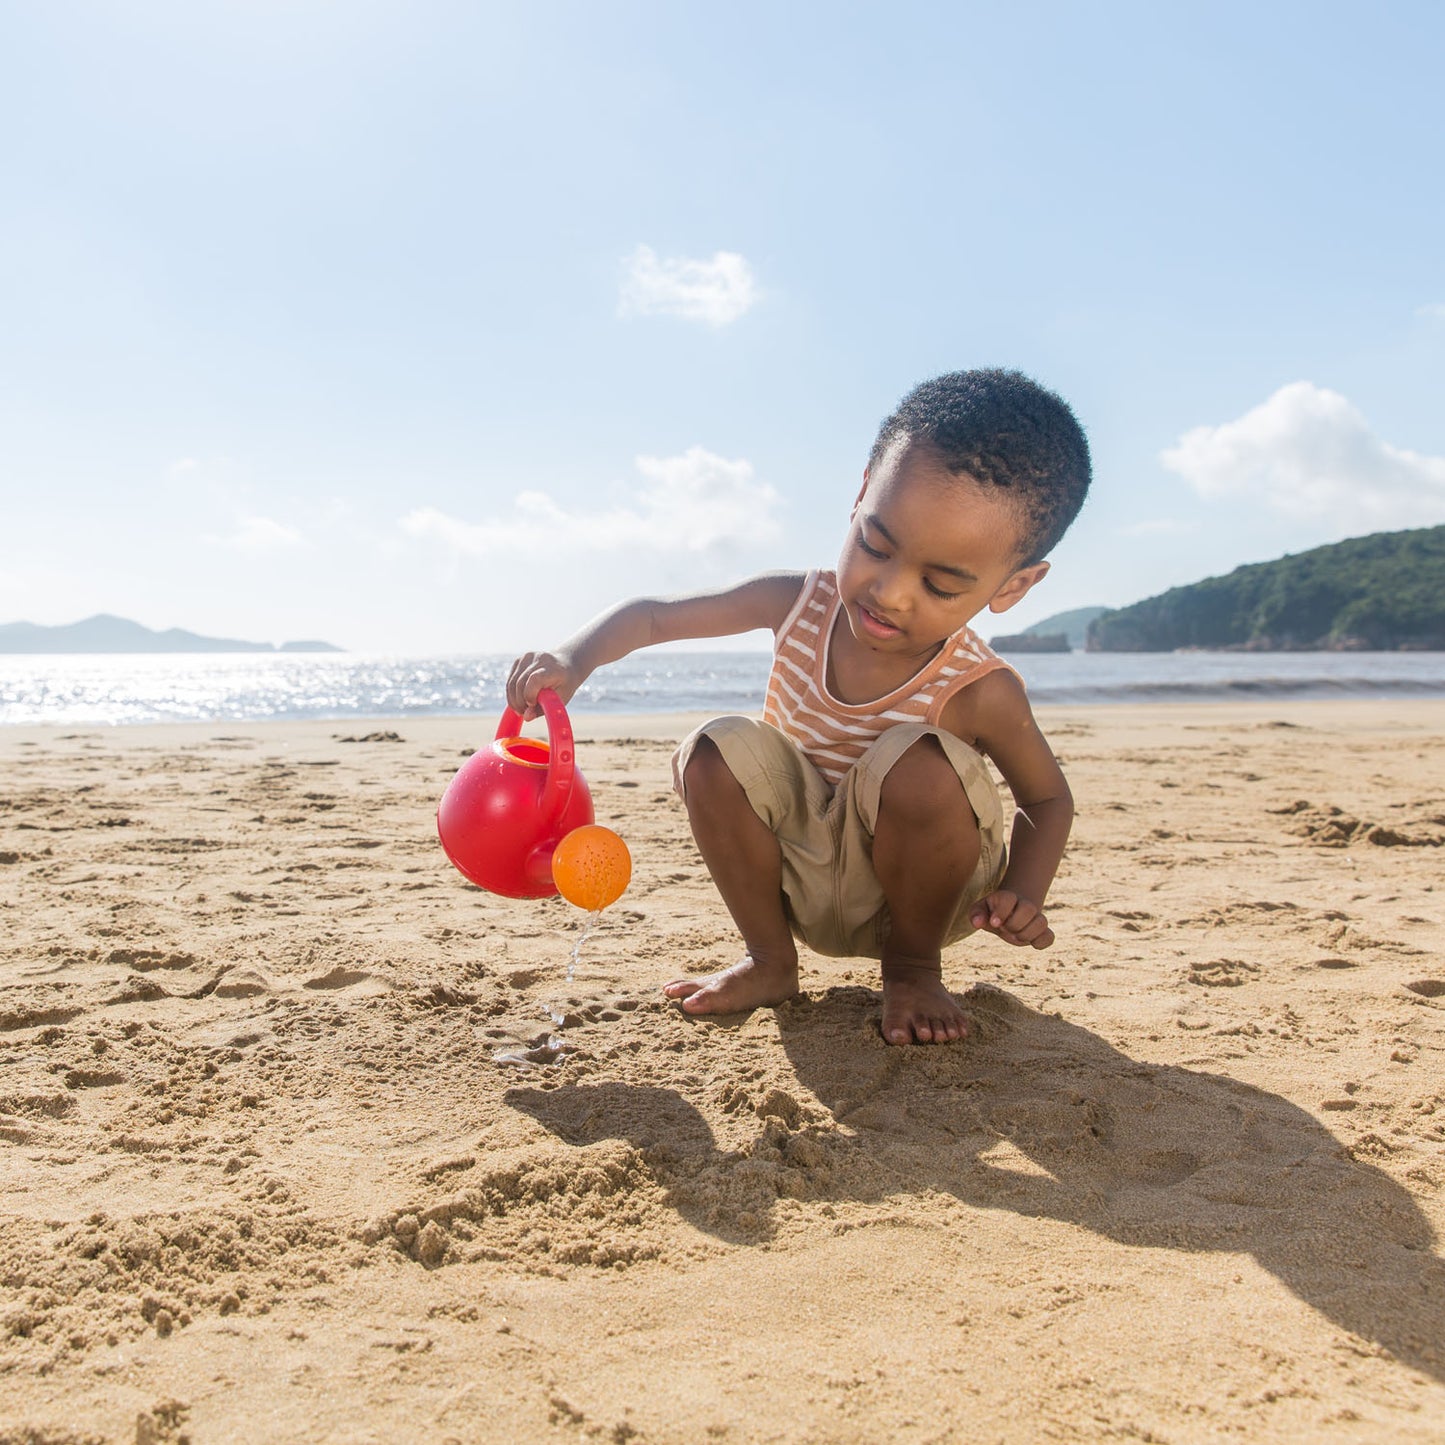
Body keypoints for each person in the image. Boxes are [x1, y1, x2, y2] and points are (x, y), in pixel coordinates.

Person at [506, 369, 1091, 1046]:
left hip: (923, 899)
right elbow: (656, 618)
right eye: (875, 545)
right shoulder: (797, 604)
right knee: (714, 747)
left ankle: (911, 970)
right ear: (861, 490)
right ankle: (769, 960)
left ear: (1013, 585)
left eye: (938, 584)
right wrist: (574, 659)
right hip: (800, 881)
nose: (890, 592)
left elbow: (1046, 800)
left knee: (921, 763)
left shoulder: (980, 687)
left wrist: (1024, 890)